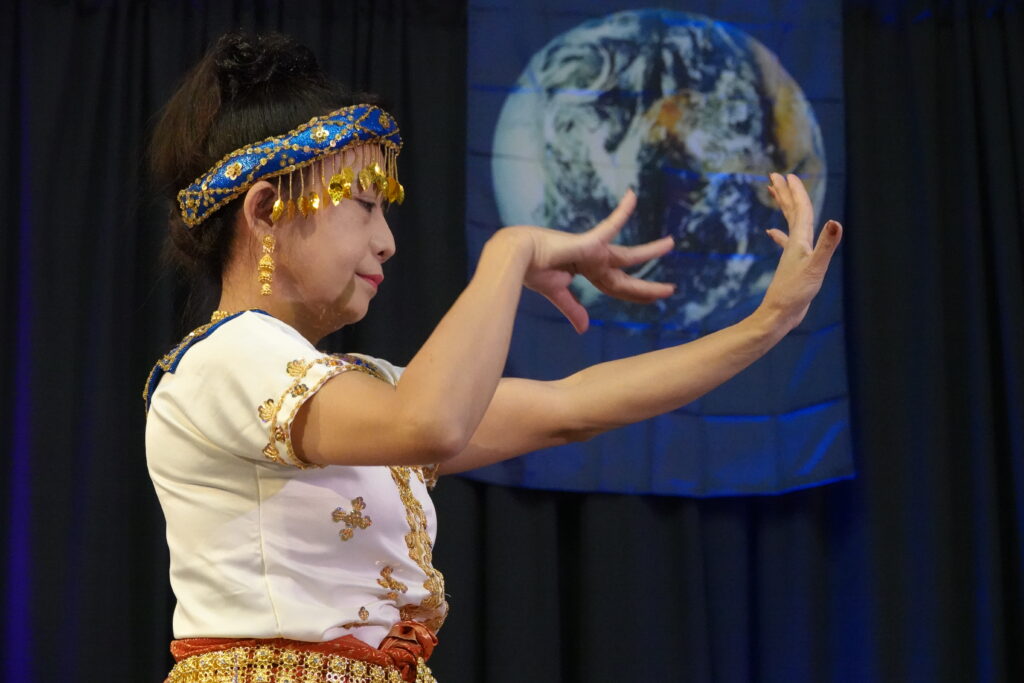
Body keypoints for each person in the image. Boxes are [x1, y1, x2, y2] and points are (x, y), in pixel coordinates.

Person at [145, 32, 842, 683]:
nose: (386, 241)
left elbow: (571, 408)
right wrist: (512, 253)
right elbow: (433, 423)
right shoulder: (227, 359)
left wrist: (766, 324)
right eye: (362, 203)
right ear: (265, 211)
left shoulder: (358, 391)